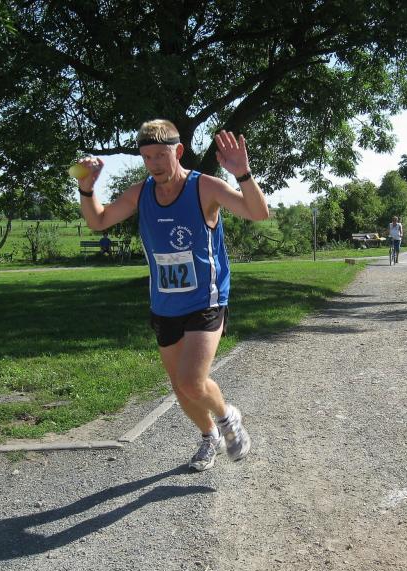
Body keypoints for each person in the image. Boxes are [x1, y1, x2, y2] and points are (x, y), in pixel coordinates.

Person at [73, 119, 269, 471]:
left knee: (192, 381)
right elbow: (98, 221)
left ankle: (227, 418)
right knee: (180, 386)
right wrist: (87, 190)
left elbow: (258, 212)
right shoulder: (140, 193)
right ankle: (209, 435)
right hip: (164, 304)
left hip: (206, 299)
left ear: (178, 151)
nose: (154, 164)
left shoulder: (204, 187)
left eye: (161, 156)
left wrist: (242, 174)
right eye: (147, 157)